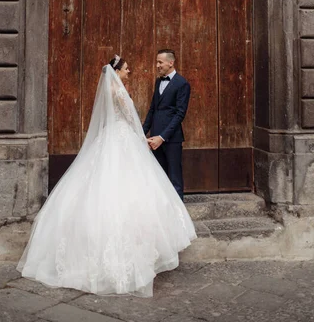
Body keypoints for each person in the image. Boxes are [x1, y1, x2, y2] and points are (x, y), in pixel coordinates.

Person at [17, 55, 196, 298]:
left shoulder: (108, 90)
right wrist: (142, 138)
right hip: (123, 140)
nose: (129, 71)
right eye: (126, 68)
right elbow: (132, 118)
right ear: (117, 72)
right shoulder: (120, 91)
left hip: (110, 138)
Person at [143, 50, 190, 201]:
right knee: (159, 176)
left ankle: (178, 214)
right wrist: (142, 132)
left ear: (171, 63)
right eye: (157, 62)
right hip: (154, 138)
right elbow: (153, 109)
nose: (157, 65)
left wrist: (162, 137)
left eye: (160, 62)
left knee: (174, 176)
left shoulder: (182, 84)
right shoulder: (158, 81)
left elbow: (179, 115)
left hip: (171, 139)